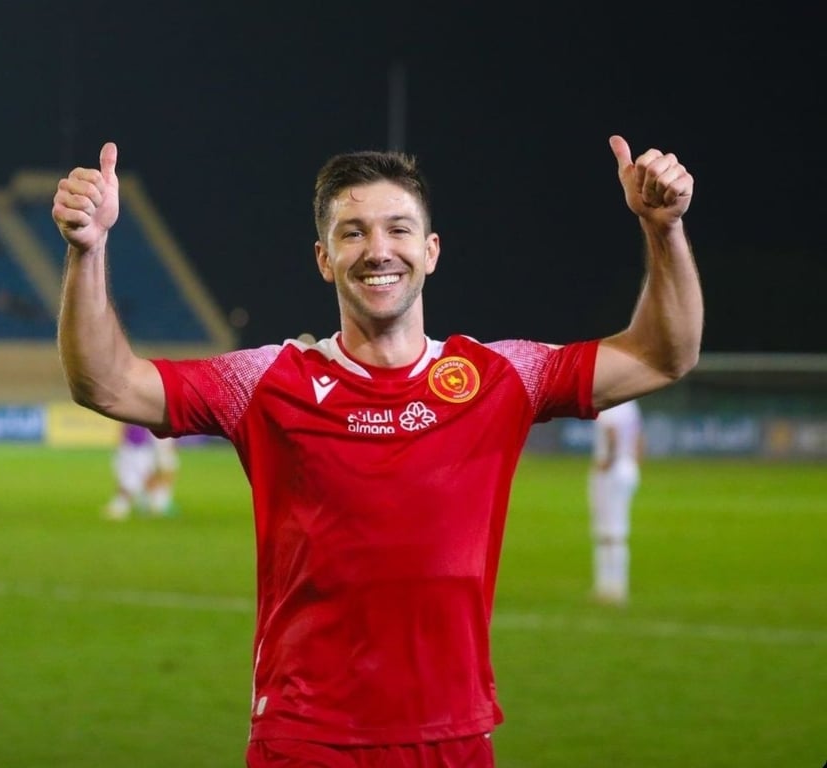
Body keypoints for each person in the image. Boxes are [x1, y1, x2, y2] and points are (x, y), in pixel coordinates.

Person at [52, 135, 703, 766]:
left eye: (398, 229)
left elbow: (662, 355)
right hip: (307, 738)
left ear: (431, 250)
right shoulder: (268, 382)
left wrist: (664, 228)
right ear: (324, 258)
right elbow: (107, 384)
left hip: (453, 737)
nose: (378, 250)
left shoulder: (498, 377)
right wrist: (89, 249)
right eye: (353, 233)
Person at [588, 398, 644, 605]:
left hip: (612, 469)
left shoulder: (611, 403)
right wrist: (634, 463)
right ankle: (613, 585)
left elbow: (611, 433)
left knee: (608, 532)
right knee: (616, 530)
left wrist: (608, 461)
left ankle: (610, 586)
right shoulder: (631, 406)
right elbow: (639, 437)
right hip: (628, 466)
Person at [104, 422, 179, 520]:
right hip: (132, 447)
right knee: (131, 478)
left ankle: (158, 503)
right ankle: (124, 505)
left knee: (146, 476)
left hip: (143, 447)